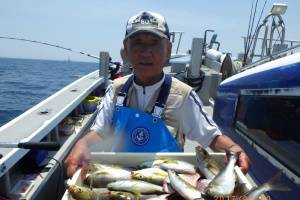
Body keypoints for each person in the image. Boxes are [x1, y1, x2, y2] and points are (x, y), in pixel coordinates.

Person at [65, 11, 251, 177]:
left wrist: (233, 148)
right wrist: (82, 144)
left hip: (165, 184)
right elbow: (100, 132)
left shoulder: (183, 95)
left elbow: (211, 137)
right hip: (120, 177)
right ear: (126, 49)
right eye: (138, 43)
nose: (146, 52)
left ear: (168, 50)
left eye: (154, 43)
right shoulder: (115, 89)